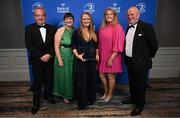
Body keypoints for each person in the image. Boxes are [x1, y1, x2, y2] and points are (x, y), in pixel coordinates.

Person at [122, 6, 158, 116]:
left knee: (141, 85)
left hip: (141, 62)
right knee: (132, 82)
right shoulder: (128, 26)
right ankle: (133, 98)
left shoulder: (146, 26)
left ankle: (139, 105)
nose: (130, 16)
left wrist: (146, 57)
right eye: (128, 15)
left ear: (138, 15)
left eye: (132, 14)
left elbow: (154, 45)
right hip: (130, 61)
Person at [25, 7, 56, 114]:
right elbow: (29, 45)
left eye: (42, 15)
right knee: (37, 83)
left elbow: (55, 45)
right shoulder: (29, 28)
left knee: (49, 80)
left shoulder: (53, 28)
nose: (40, 17)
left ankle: (48, 96)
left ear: (45, 16)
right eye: (38, 15)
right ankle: (36, 103)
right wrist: (40, 56)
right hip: (36, 61)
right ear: (34, 17)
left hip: (49, 60)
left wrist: (49, 54)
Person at [71, 12, 99, 110]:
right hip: (81, 60)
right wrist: (77, 56)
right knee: (82, 82)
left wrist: (97, 55)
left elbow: (96, 46)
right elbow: (73, 46)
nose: (86, 21)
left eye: (88, 19)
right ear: (81, 20)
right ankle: (82, 103)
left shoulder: (94, 32)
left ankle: (91, 99)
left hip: (92, 60)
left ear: (90, 20)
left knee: (91, 80)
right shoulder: (77, 32)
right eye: (84, 19)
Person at [98, 8, 125, 102]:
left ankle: (110, 94)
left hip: (113, 55)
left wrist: (111, 59)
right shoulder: (102, 28)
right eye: (107, 14)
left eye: (111, 14)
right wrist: (98, 54)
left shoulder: (118, 27)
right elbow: (100, 44)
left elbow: (119, 45)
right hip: (103, 55)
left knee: (110, 76)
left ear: (114, 16)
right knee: (101, 75)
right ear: (104, 16)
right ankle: (105, 92)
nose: (109, 16)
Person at [53, 12, 75, 104]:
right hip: (63, 55)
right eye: (67, 19)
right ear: (64, 20)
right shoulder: (60, 30)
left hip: (72, 54)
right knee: (65, 76)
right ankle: (65, 95)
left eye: (70, 19)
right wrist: (59, 59)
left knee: (71, 75)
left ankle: (71, 94)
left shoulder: (75, 30)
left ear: (73, 20)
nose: (69, 20)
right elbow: (56, 46)